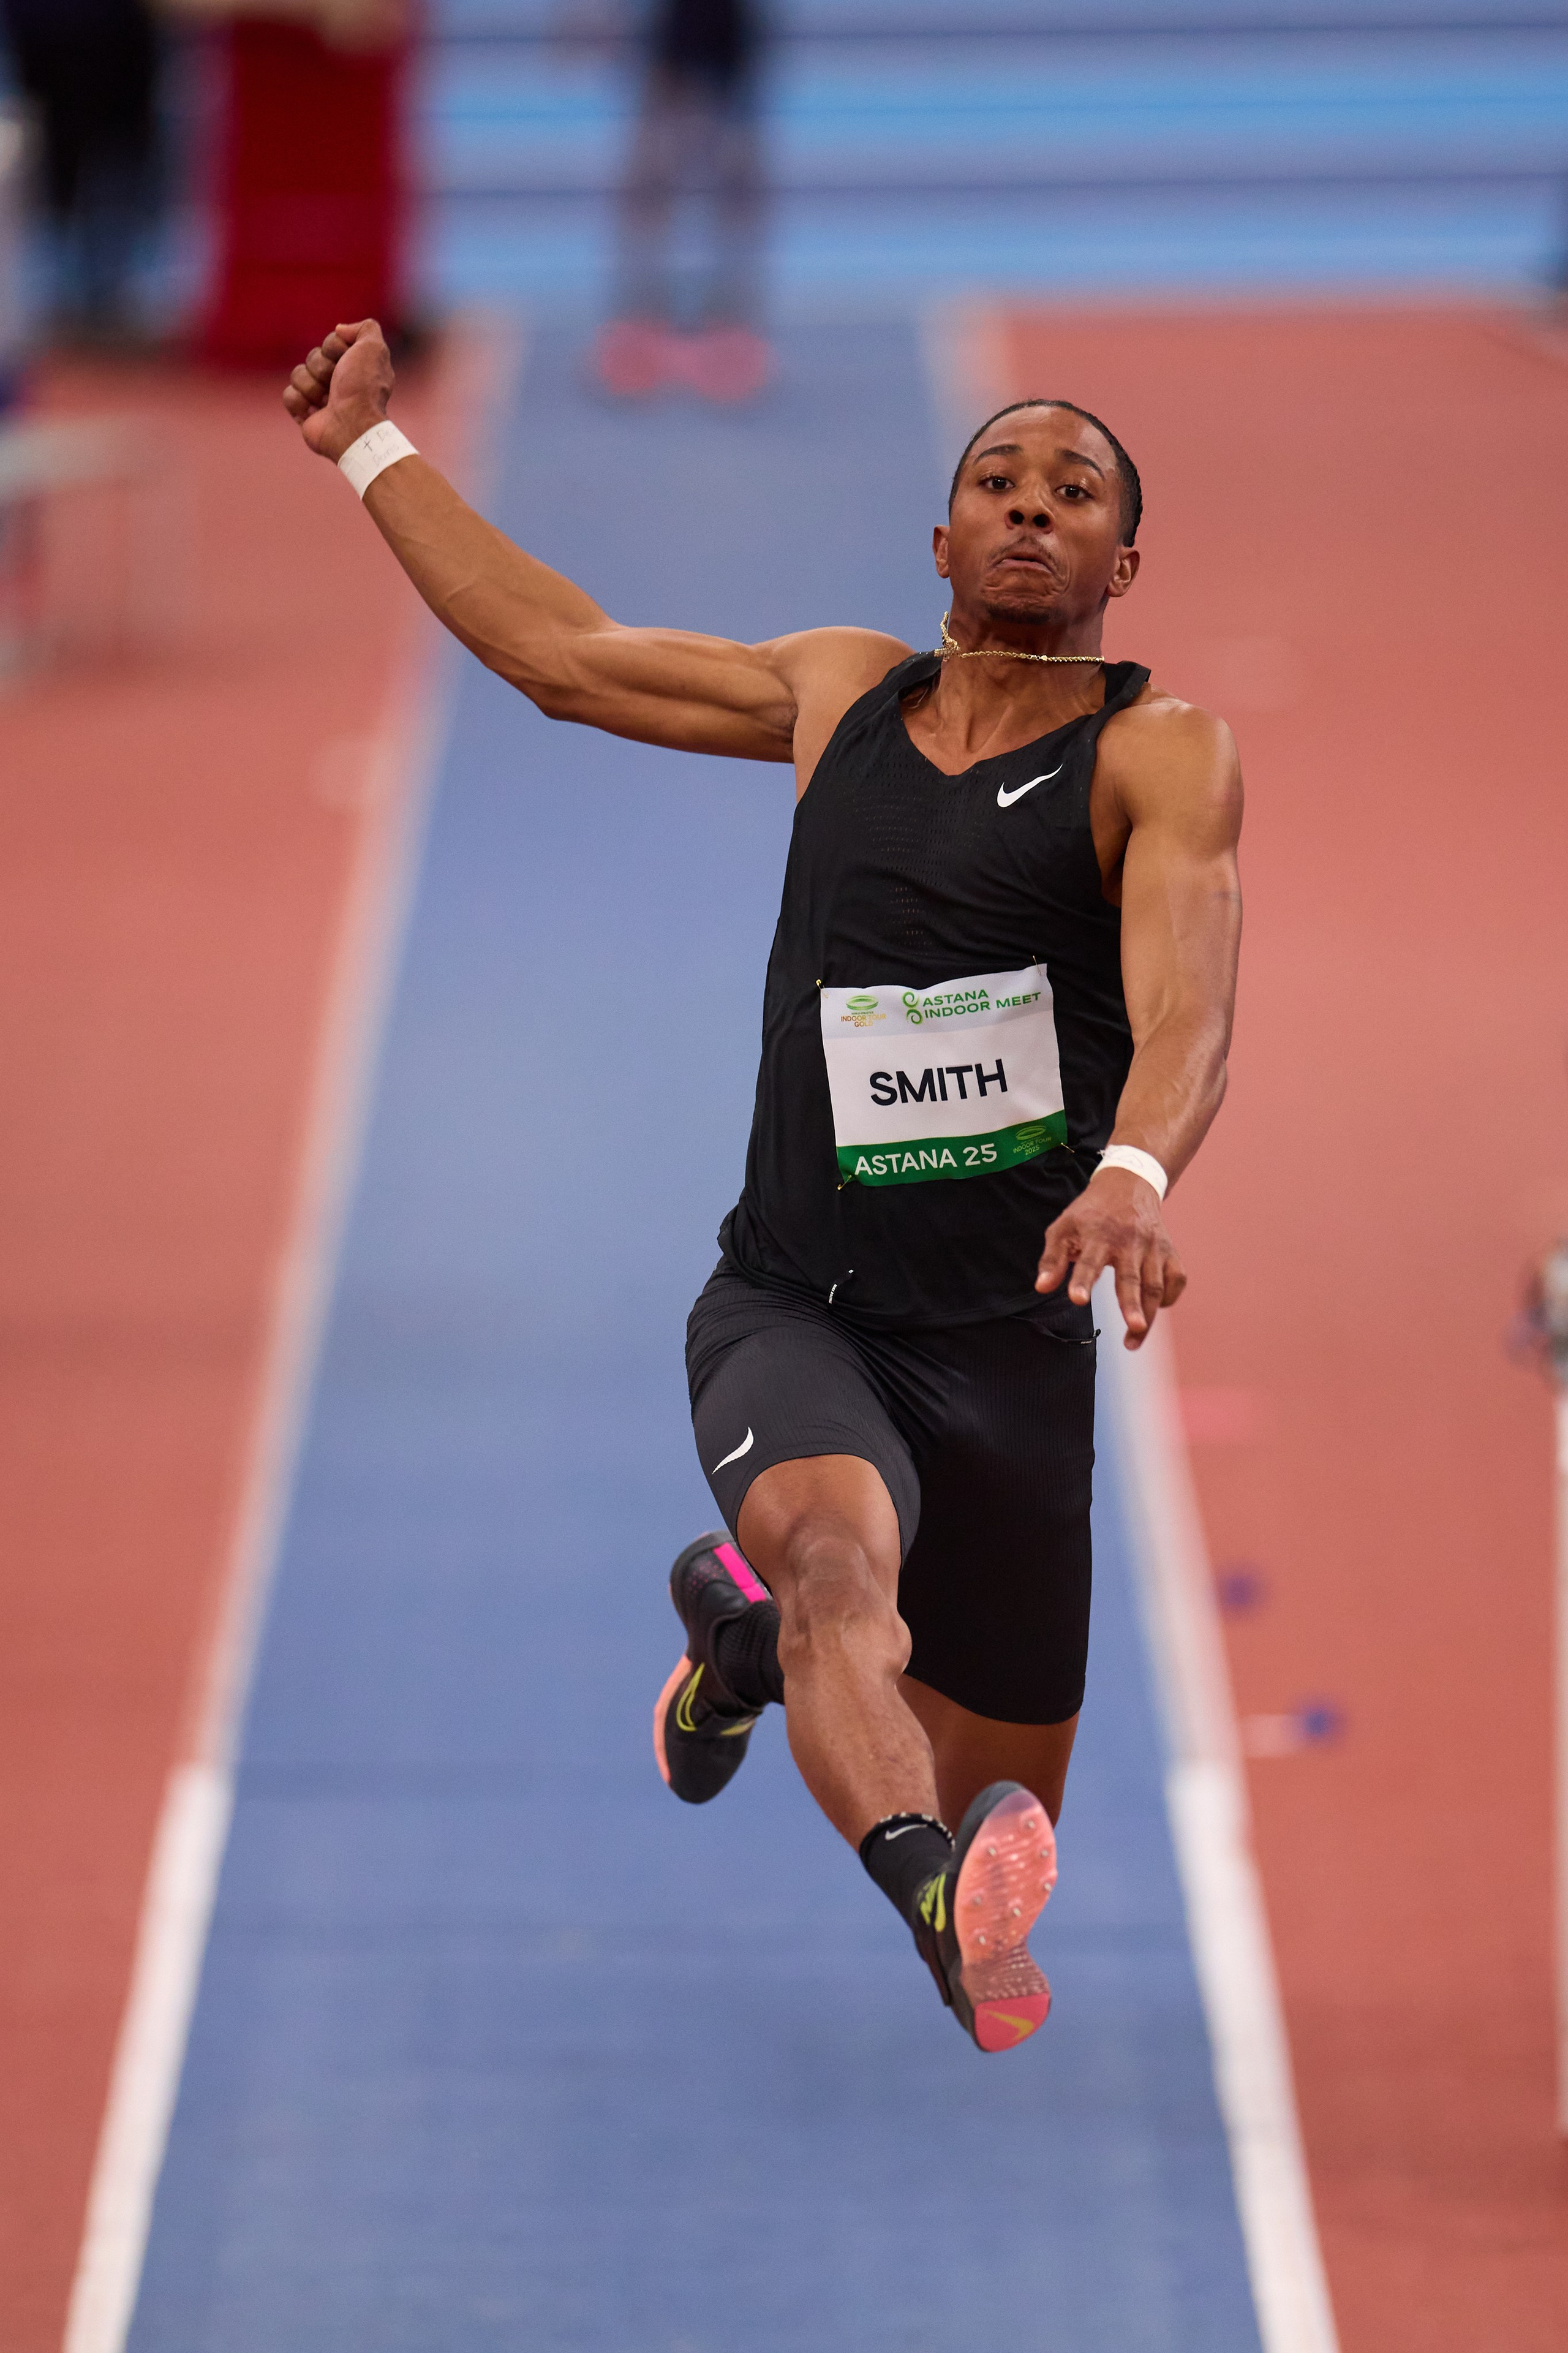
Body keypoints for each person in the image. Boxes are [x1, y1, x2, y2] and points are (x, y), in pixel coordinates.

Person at [282, 319, 1243, 2053]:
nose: (1031, 510)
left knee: (1009, 1792)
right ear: (940, 545)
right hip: (801, 1307)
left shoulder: (1159, 756)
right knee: (840, 1591)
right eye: (996, 485)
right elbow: (566, 657)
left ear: (1124, 558)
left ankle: (734, 1655)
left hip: (1011, 1352)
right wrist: (373, 452)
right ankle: (920, 1878)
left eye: (1073, 492)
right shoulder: (835, 694)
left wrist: (1133, 1167)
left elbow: (1192, 998)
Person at [592, 0, 771, 404]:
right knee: (653, 184)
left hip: (731, 43)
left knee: (734, 188)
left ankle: (731, 323)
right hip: (673, 39)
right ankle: (641, 319)